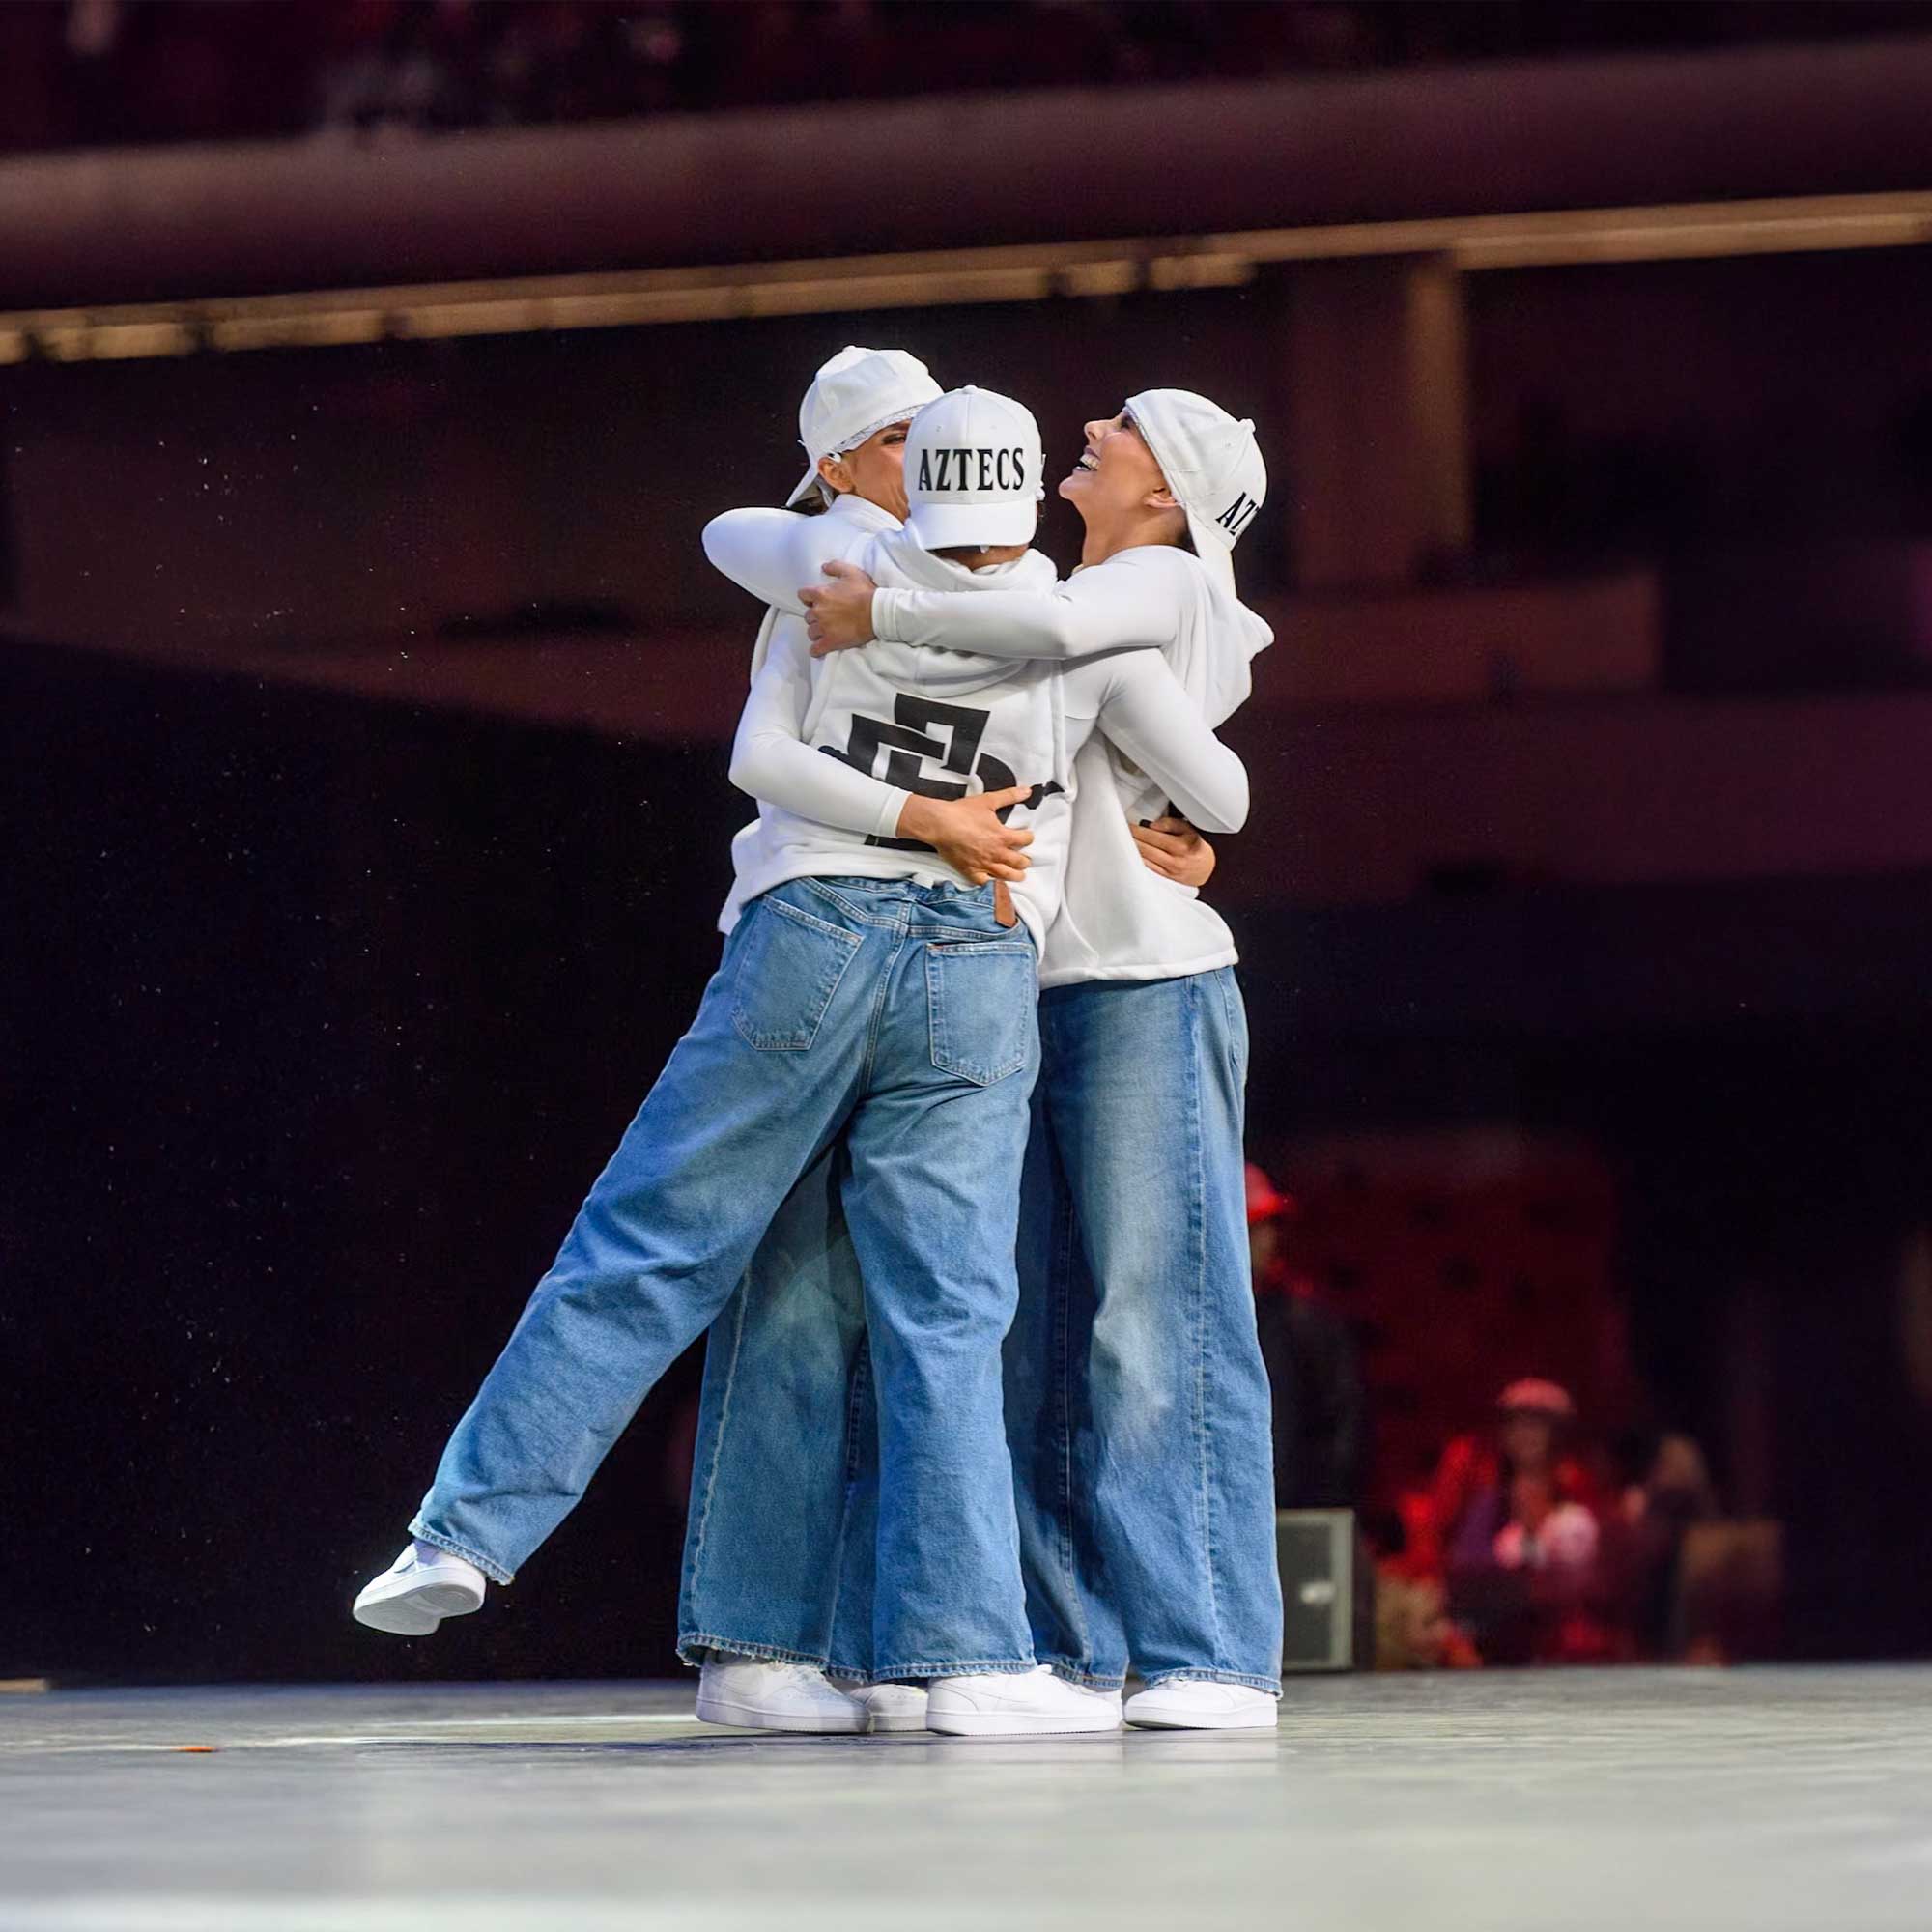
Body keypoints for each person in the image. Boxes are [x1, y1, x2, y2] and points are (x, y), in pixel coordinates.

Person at [352, 375, 1250, 1741]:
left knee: (666, 1246)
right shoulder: (1060, 619)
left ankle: (474, 1536)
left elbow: (756, 731)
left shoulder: (826, 571)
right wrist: (1107, 823)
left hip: (813, 932)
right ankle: (965, 1659)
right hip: (975, 958)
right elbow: (1208, 778)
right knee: (947, 1319)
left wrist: (900, 751)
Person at [692, 390, 1284, 1729]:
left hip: (1142, 983)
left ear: (1175, 485)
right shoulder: (1042, 594)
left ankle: (1210, 1654)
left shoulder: (1150, 585)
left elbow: (1191, 756)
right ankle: (1055, 1650)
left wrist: (878, 614)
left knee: (1154, 1321)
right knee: (1015, 1337)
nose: (1096, 424)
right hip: (1018, 986)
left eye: (1126, 423)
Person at [1248, 1161, 1369, 1511]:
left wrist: (1320, 1508)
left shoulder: (1306, 1323)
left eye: (1271, 1226)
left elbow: (1344, 1425)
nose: (1270, 1239)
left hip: (1294, 1520)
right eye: (1256, 1226)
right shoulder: (1194, 1326)